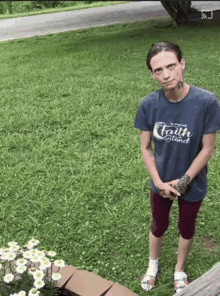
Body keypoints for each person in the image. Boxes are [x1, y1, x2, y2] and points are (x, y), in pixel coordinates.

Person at [133, 41, 220, 293]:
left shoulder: (206, 102)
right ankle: (153, 266)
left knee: (187, 227)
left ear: (182, 64)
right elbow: (145, 147)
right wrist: (159, 182)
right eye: (158, 70)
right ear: (152, 74)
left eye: (171, 66)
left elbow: (208, 149)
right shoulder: (149, 104)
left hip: (192, 183)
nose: (166, 74)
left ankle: (179, 269)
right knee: (158, 225)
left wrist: (183, 181)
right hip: (160, 182)